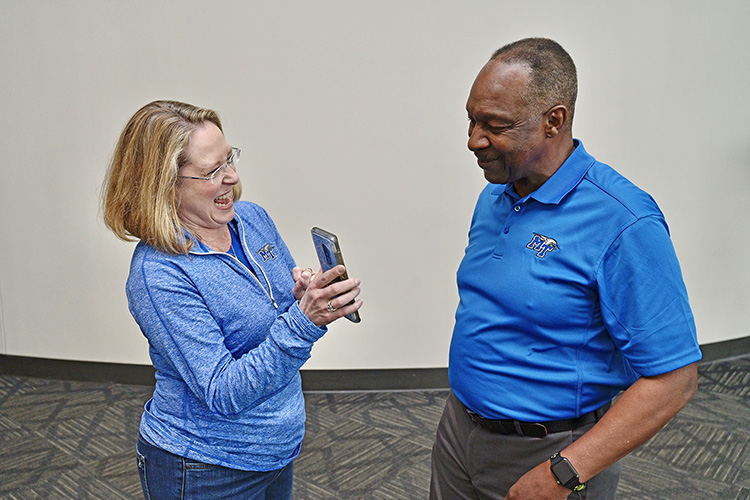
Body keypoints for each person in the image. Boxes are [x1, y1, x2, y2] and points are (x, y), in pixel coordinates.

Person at [429, 38, 701, 500]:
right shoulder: (495, 195)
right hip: (460, 432)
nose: (474, 140)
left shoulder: (624, 221)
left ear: (554, 121)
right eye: (472, 120)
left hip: (548, 453)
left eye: (494, 125)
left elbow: (675, 378)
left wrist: (564, 472)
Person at [101, 100, 362, 500]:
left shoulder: (252, 219)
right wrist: (304, 321)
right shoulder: (159, 274)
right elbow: (224, 391)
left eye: (230, 159)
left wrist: (303, 300)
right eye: (212, 171)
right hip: (205, 466)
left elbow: (279, 327)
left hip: (274, 449)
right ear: (164, 184)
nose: (232, 177)